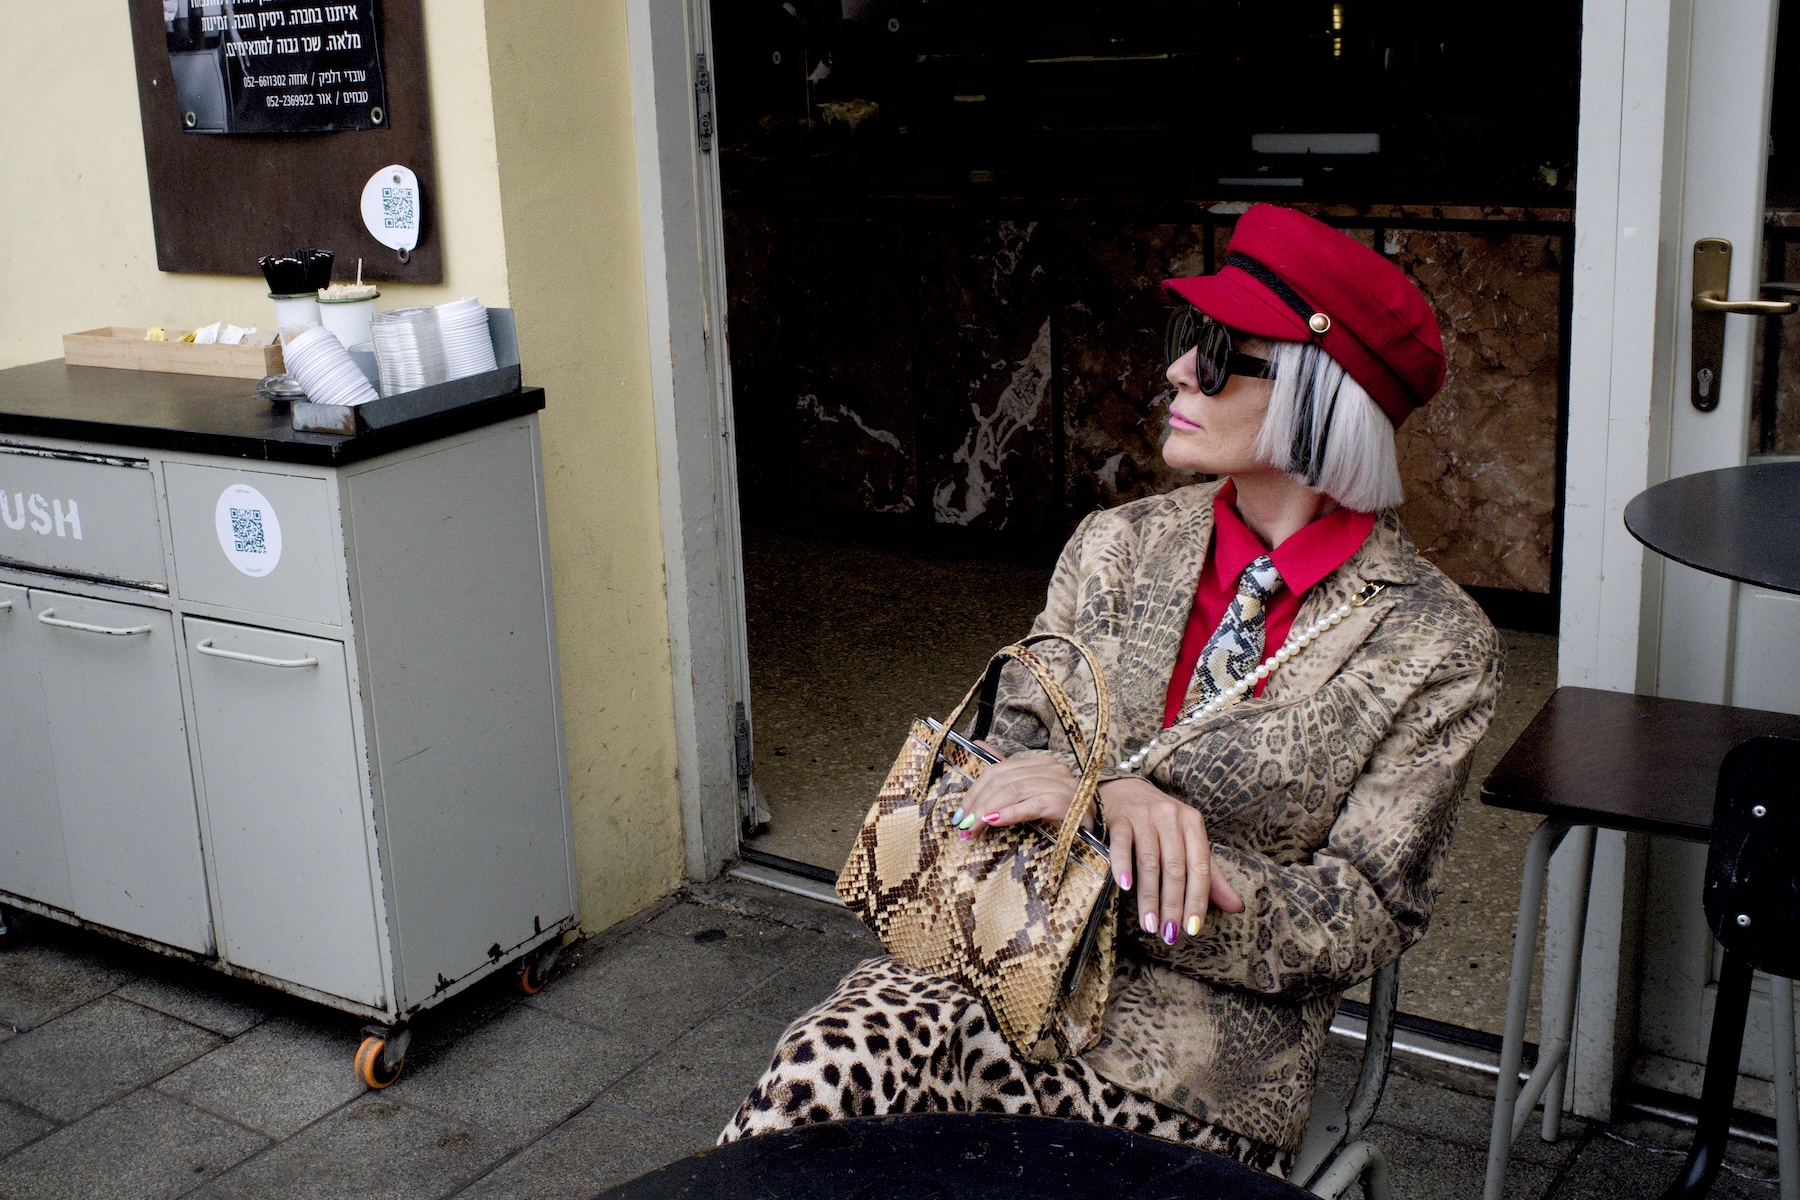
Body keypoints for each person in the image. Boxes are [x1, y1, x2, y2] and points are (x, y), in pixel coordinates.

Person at [720, 204, 1503, 1175]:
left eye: (1218, 354)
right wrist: (1103, 796)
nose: (1177, 371)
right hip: (992, 950)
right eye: (1187, 341)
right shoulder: (1118, 545)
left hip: (1198, 1044)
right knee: (828, 1069)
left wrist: (1128, 860)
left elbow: (1361, 913)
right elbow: (995, 757)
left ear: (1318, 395)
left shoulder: (1433, 642)